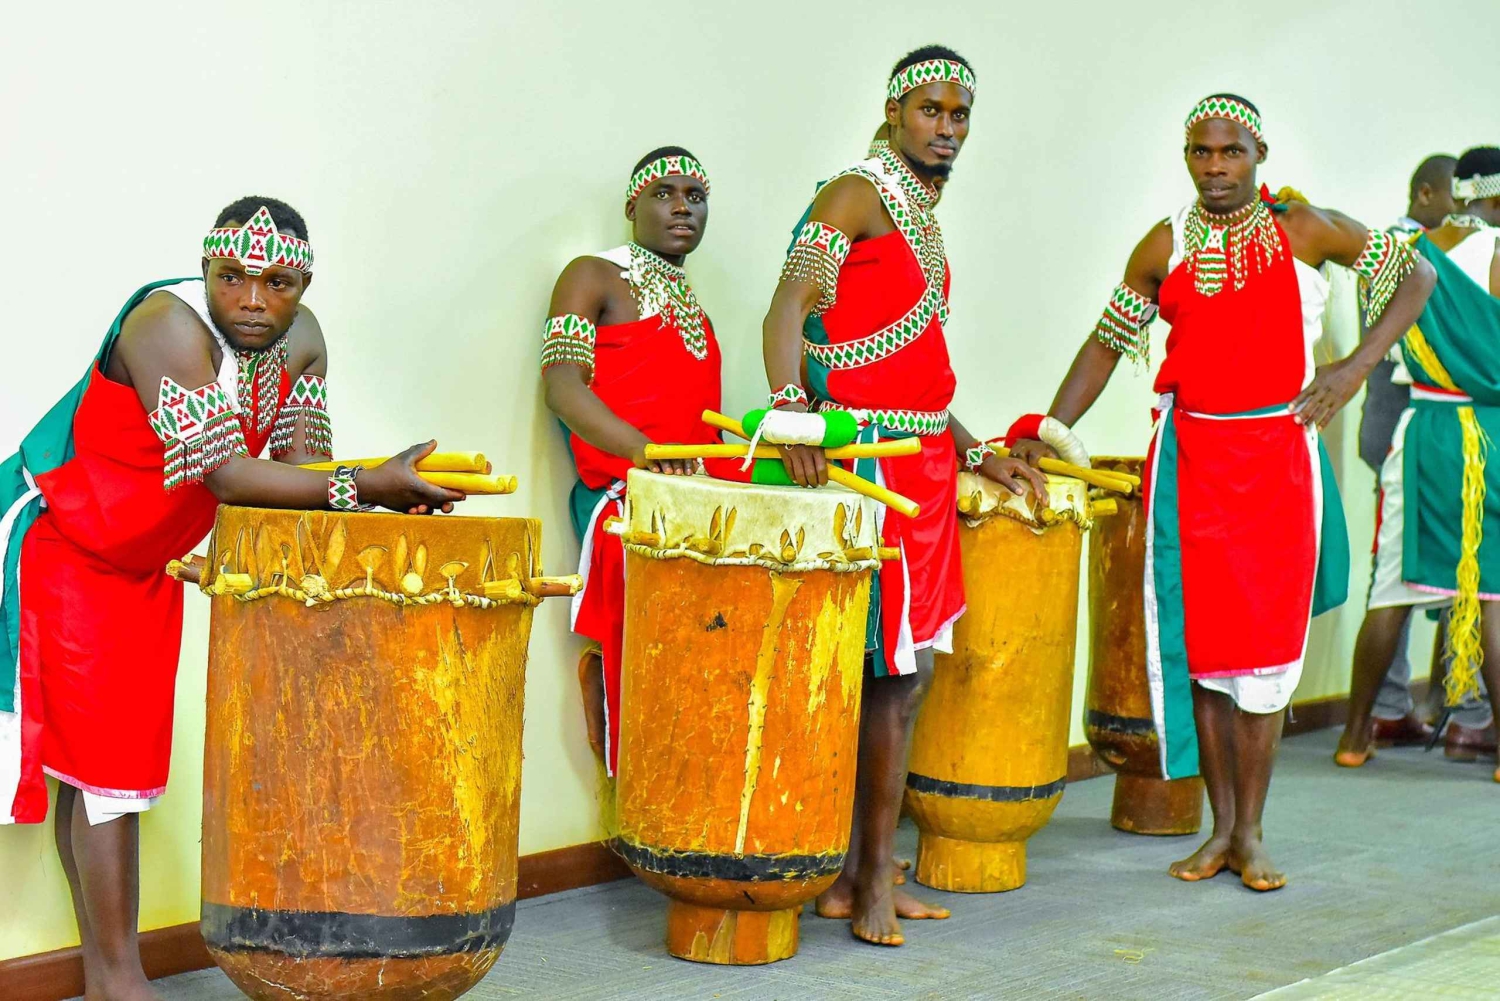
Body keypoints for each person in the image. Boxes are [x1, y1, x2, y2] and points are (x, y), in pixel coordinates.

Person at [0, 197, 461, 999]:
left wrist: (387, 498)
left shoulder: (303, 341)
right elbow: (227, 476)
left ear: (305, 284)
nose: (251, 300)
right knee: (106, 774)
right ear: (205, 269)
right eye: (232, 277)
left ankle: (109, 979)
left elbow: (300, 474)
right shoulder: (165, 327)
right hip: (65, 540)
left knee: (102, 773)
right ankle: (121, 981)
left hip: (139, 560)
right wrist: (367, 484)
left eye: (277, 282)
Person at [1009, 95, 1434, 891]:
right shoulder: (1164, 243)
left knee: (1264, 657)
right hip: (1192, 465)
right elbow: (1108, 342)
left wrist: (1353, 370)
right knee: (1205, 657)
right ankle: (1220, 829)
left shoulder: (1303, 228)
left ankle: (1253, 832)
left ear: (1258, 152)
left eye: (1230, 151)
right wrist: (1050, 426)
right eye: (1201, 153)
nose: (1215, 167)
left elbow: (1418, 274)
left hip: (1275, 460)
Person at [759, 46, 1046, 946]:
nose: (946, 128)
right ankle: (870, 880)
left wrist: (976, 449)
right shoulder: (855, 193)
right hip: (873, 465)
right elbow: (786, 307)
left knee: (901, 677)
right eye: (930, 110)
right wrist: (791, 412)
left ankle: (857, 874)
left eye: (960, 115)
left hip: (921, 458)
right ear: (893, 112)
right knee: (892, 677)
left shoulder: (918, 210)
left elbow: (907, 367)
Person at [542, 147, 728, 776]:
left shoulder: (698, 310)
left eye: (695, 197)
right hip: (624, 499)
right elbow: (562, 388)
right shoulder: (591, 275)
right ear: (632, 205)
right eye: (663, 193)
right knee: (651, 666)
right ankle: (645, 791)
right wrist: (644, 454)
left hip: (698, 500)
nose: (682, 207)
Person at [1336, 146, 1500, 781]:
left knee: (1391, 591)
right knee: (1492, 593)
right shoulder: (1495, 253)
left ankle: (1355, 735)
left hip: (1424, 428)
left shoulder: (1408, 253)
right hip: (1490, 432)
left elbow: (1385, 344)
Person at [1359, 155, 1457, 747]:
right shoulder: (1397, 248)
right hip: (1408, 428)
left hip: (1431, 429)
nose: (1463, 213)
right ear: (1425, 194)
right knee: (1394, 575)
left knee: (1441, 572)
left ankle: (1430, 703)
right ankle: (1389, 706)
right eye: (1454, 199)